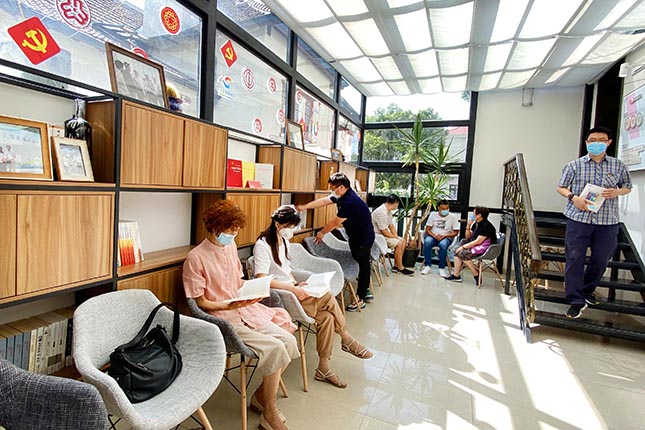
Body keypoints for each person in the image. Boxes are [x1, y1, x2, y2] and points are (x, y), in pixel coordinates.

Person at [183, 200, 299, 430]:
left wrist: (253, 291)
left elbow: (238, 281)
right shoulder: (196, 258)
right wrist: (226, 305)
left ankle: (260, 396)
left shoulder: (230, 248)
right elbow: (199, 302)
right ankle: (270, 411)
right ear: (215, 227)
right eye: (230, 230)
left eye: (236, 230)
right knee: (276, 347)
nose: (234, 234)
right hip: (223, 319)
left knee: (288, 340)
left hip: (245, 310)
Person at [253, 205, 373, 388]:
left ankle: (323, 368)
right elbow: (262, 279)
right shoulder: (262, 246)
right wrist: (292, 289)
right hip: (281, 297)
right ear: (277, 225)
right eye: (290, 226)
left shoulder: (283, 241)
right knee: (327, 296)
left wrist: (296, 283)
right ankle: (346, 337)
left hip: (292, 290)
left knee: (327, 318)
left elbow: (286, 270)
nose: (292, 230)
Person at [556, 126, 632, 319]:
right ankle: (575, 299)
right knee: (575, 258)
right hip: (578, 218)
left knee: (601, 258)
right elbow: (561, 187)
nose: (596, 143)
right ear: (587, 142)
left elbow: (627, 186)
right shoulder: (574, 165)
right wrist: (574, 197)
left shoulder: (618, 166)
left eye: (601, 140)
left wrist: (617, 192)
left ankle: (587, 289)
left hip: (607, 220)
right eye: (592, 140)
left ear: (608, 142)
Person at [296, 172, 375, 311]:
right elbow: (324, 201)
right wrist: (305, 207)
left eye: (333, 188)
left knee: (363, 264)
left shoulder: (350, 202)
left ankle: (361, 297)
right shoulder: (344, 196)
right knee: (361, 261)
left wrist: (321, 233)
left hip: (363, 238)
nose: (332, 191)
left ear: (341, 187)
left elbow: (335, 223)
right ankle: (365, 288)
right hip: (356, 236)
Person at [444, 206, 496, 284]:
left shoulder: (486, 226)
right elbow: (468, 237)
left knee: (463, 253)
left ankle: (475, 273)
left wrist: (462, 247)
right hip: (475, 245)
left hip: (485, 247)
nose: (472, 215)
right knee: (457, 252)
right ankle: (456, 275)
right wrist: (468, 226)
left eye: (474, 213)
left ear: (479, 215)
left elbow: (478, 241)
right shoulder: (476, 224)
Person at [371, 194, 414, 275]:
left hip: (383, 235)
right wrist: (395, 238)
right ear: (395, 203)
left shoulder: (388, 211)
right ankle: (400, 267)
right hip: (377, 237)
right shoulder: (381, 212)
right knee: (400, 243)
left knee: (402, 241)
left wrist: (396, 237)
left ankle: (396, 266)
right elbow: (383, 231)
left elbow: (391, 226)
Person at [421, 200, 460, 277]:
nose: (445, 210)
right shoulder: (433, 215)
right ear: (438, 208)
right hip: (433, 236)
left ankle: (441, 268)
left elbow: (456, 232)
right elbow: (428, 229)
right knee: (427, 242)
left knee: (443, 245)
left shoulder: (453, 216)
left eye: (447, 208)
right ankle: (427, 266)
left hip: (446, 237)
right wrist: (435, 236)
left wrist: (445, 236)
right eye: (443, 209)